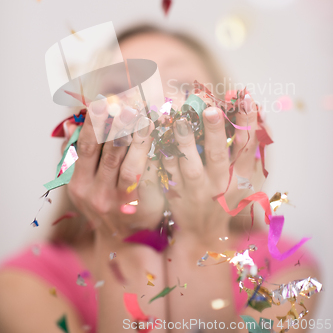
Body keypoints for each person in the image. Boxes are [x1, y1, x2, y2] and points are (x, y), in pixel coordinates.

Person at [0, 24, 320, 332]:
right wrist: (124, 238)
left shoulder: (288, 271)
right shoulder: (23, 284)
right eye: (119, 90)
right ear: (84, 132)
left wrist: (202, 240)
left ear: (228, 123)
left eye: (182, 86)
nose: (152, 106)